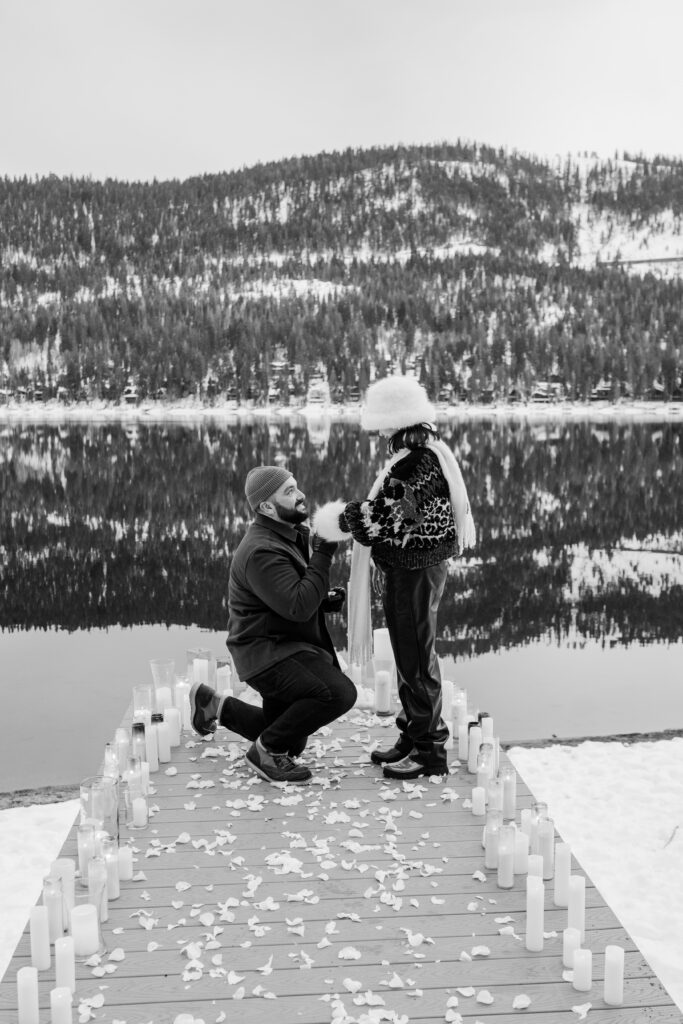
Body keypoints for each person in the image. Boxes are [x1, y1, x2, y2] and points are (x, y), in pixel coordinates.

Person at [312, 376, 476, 780]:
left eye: (382, 423)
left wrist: (337, 520)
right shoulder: (425, 455)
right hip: (413, 568)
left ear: (397, 420)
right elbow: (391, 514)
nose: (379, 431)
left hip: (416, 571)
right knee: (409, 654)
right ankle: (414, 733)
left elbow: (383, 517)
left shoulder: (418, 463)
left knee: (416, 657)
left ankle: (429, 751)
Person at [190, 464, 356, 784]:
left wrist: (321, 599)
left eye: (296, 486)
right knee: (338, 694)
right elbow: (296, 607)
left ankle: (212, 704)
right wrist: (323, 555)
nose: (301, 494)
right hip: (265, 653)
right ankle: (264, 753)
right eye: (289, 491)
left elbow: (288, 597)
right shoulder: (262, 550)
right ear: (267, 506)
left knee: (292, 741)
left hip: (282, 643)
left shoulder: (286, 535)